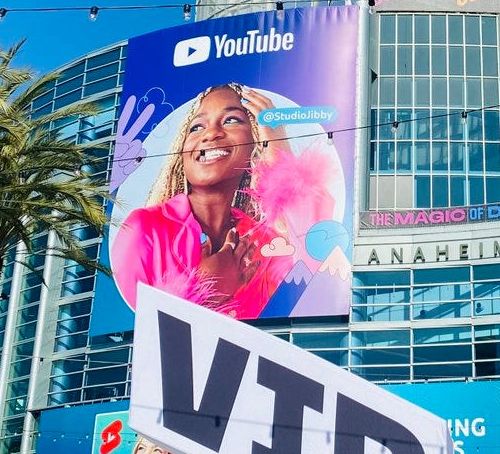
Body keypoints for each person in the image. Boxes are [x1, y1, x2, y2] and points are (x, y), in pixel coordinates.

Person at [111, 83, 341, 317]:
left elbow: (318, 281)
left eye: (231, 120)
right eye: (197, 127)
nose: (211, 133)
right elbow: (130, 324)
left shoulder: (266, 244)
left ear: (255, 143)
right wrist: (207, 288)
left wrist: (281, 160)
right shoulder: (144, 228)